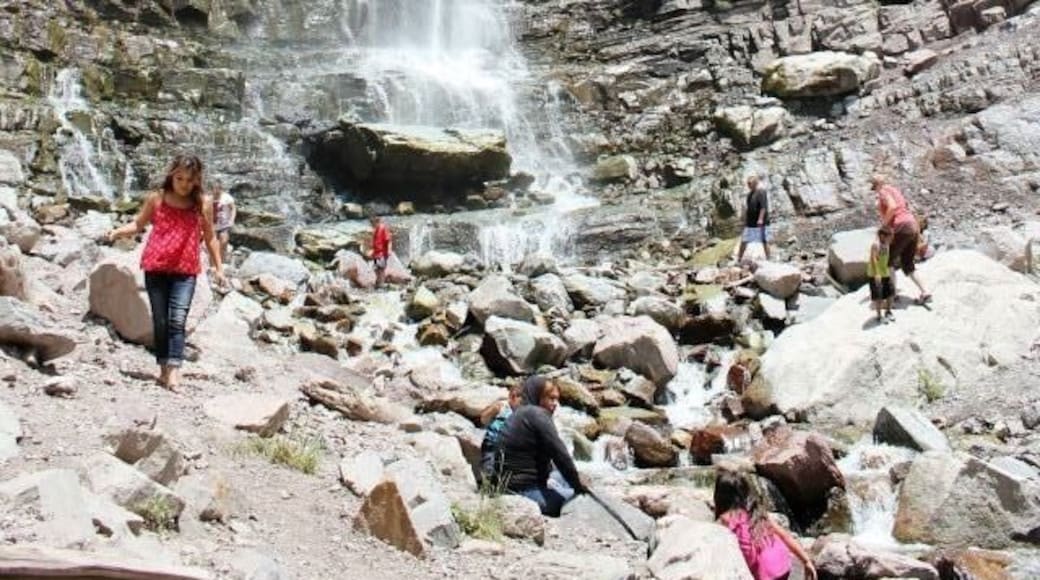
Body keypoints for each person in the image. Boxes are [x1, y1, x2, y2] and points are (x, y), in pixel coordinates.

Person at [107, 154, 226, 391]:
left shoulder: (202, 204)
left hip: (185, 269)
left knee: (177, 319)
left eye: (189, 179)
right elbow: (138, 224)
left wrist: (219, 267)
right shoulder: (157, 199)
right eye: (179, 178)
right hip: (156, 266)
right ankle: (163, 369)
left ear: (196, 180)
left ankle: (173, 372)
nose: (183, 184)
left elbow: (210, 237)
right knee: (160, 321)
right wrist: (116, 232)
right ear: (171, 175)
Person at [498, 376, 586, 516]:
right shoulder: (537, 415)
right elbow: (560, 454)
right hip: (524, 493)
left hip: (508, 487)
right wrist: (579, 487)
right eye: (551, 398)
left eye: (557, 399)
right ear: (537, 395)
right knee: (580, 499)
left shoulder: (519, 413)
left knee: (563, 477)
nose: (555, 404)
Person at [714, 470, 817, 580]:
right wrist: (806, 561)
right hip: (783, 565)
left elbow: (748, 554)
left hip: (764, 573)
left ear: (719, 496)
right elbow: (784, 535)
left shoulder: (726, 520)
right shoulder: (756, 512)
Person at [872, 175, 930, 303]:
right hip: (912, 225)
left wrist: (883, 226)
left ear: (877, 185)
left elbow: (892, 207)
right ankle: (925, 292)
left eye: (874, 188)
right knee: (907, 264)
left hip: (901, 226)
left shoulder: (883, 191)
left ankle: (892, 296)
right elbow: (903, 208)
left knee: (887, 261)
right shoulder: (895, 190)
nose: (875, 192)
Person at [478, 382, 524, 484]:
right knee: (488, 466)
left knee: (504, 470)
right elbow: (484, 419)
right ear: (511, 397)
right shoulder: (501, 406)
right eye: (520, 400)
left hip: (508, 448)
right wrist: (492, 411)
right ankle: (485, 486)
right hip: (492, 443)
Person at [738, 175, 770, 262]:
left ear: (755, 183)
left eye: (750, 183)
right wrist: (744, 221)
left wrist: (760, 219)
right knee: (744, 240)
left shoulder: (761, 192)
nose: (748, 185)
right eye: (747, 184)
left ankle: (769, 259)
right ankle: (739, 259)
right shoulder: (749, 195)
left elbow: (763, 207)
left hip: (761, 222)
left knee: (764, 240)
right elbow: (748, 209)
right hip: (750, 222)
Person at [868, 226, 895, 322]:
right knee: (878, 296)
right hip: (875, 274)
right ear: (882, 236)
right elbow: (874, 259)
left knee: (890, 293)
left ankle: (888, 311)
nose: (891, 239)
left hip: (885, 272)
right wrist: (877, 273)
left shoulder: (887, 244)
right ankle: (879, 316)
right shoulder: (875, 245)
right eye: (889, 237)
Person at [211, 181, 235, 263]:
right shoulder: (209, 198)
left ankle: (221, 262)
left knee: (223, 241)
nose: (217, 191)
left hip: (224, 225)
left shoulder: (227, 197)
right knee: (213, 245)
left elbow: (233, 208)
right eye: (215, 189)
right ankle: (213, 264)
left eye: (218, 189)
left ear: (221, 189)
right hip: (213, 226)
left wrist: (231, 220)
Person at [369, 214, 392, 288]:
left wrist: (389, 250)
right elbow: (375, 242)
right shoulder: (375, 230)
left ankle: (381, 284)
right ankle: (378, 282)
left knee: (381, 269)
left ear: (377, 222)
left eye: (372, 224)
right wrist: (372, 251)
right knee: (376, 268)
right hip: (376, 253)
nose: (372, 226)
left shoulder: (383, 228)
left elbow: (388, 240)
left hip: (382, 253)